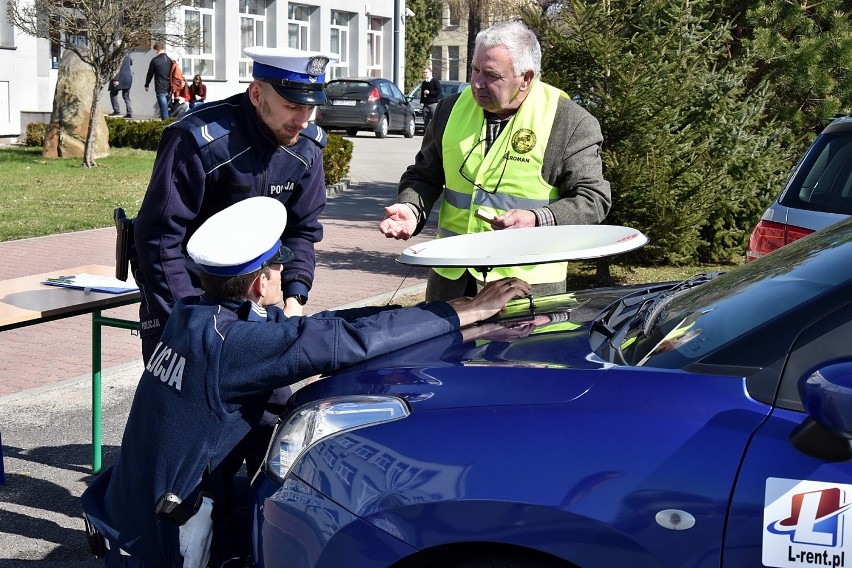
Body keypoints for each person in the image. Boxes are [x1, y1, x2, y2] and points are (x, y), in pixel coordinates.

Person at [81, 196, 530, 568]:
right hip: (165, 535)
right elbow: (341, 341)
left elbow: (328, 324)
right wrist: (464, 312)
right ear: (261, 284)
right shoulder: (234, 345)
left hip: (134, 507)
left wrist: (449, 315)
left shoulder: (194, 315)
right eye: (278, 269)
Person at [379, 20, 612, 302]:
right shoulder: (449, 109)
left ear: (526, 77)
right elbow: (424, 176)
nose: (476, 83)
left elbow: (593, 199)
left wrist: (539, 219)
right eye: (475, 69)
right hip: (451, 282)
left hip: (526, 291)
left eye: (491, 75)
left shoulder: (569, 122)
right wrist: (411, 208)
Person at [133, 46, 334, 365]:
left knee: (271, 412)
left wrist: (294, 298)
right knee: (187, 411)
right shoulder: (198, 141)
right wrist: (191, 321)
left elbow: (302, 230)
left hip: (258, 307)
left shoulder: (306, 147)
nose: (302, 120)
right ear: (256, 94)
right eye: (292, 106)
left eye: (310, 108)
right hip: (184, 301)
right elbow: (158, 240)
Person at [144, 41, 171, 120]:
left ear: (157, 50)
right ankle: (169, 122)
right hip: (170, 88)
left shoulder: (155, 60)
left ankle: (165, 125)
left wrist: (146, 84)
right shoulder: (170, 60)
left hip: (160, 87)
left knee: (163, 109)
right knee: (166, 108)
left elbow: (150, 74)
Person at [108, 54, 133, 118]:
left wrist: (115, 79)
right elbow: (130, 63)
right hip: (128, 78)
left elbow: (115, 68)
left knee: (113, 93)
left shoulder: (116, 55)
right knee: (126, 96)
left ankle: (116, 110)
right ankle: (129, 112)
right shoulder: (128, 55)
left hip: (119, 77)